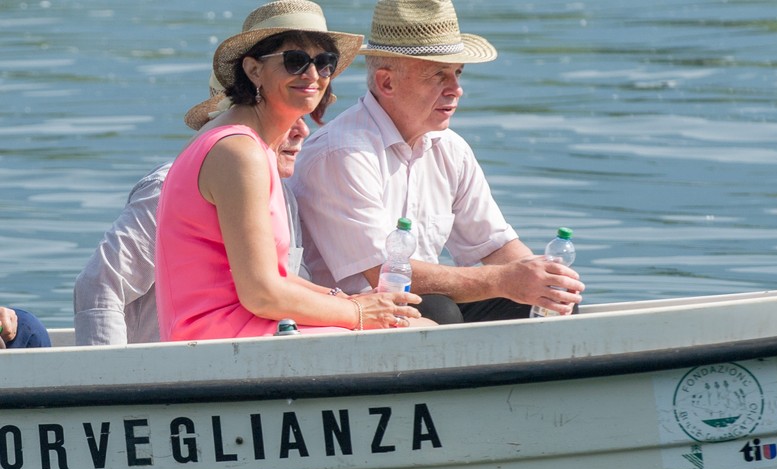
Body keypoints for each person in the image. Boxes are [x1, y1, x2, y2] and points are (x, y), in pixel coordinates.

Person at [290, 0, 584, 324]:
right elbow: (384, 274)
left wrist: (545, 280)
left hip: (411, 308)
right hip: (345, 316)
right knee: (438, 310)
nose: (456, 90)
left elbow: (497, 245)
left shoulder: (451, 149)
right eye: (439, 75)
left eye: (458, 73)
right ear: (386, 83)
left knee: (549, 300)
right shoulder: (341, 153)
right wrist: (506, 280)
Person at [155, 0, 424, 342]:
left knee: (410, 323)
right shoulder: (239, 152)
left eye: (325, 63)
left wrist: (345, 300)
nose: (313, 75)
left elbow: (275, 276)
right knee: (419, 331)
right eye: (295, 61)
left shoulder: (247, 146)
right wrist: (357, 313)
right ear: (253, 70)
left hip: (230, 334)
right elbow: (262, 294)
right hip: (221, 341)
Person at [73, 69, 313, 346]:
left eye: (302, 116)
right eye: (284, 117)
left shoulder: (284, 196)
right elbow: (100, 285)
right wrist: (113, 383)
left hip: (252, 366)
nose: (302, 130)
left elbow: (291, 291)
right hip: (169, 377)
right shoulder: (166, 188)